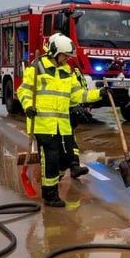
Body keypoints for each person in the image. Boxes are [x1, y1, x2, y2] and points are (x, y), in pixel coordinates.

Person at [17, 33, 105, 207]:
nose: (67, 59)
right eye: (65, 55)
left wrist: (98, 94)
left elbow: (78, 95)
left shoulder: (67, 71)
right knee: (51, 158)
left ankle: (52, 180)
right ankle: (50, 195)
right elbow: (23, 91)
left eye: (68, 56)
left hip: (62, 124)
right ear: (54, 52)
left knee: (66, 158)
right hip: (43, 124)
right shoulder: (36, 68)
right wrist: (28, 106)